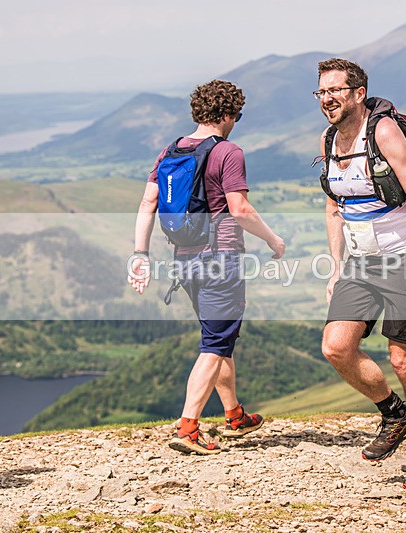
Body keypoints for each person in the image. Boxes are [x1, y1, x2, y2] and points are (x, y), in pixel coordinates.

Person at [128, 79, 285, 455]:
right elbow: (241, 210)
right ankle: (188, 427)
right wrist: (272, 239)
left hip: (184, 261)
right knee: (215, 344)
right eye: (238, 116)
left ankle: (234, 415)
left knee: (220, 339)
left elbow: (149, 203)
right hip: (220, 261)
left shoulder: (171, 151)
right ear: (229, 115)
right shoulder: (228, 152)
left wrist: (140, 254)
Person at [315, 58, 406, 489]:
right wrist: (336, 268)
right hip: (360, 263)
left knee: (404, 360)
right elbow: (334, 207)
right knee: (336, 347)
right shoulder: (329, 139)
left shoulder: (384, 132)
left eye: (335, 91)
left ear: (357, 93)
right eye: (321, 92)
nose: (327, 99)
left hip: (405, 259)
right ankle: (395, 413)